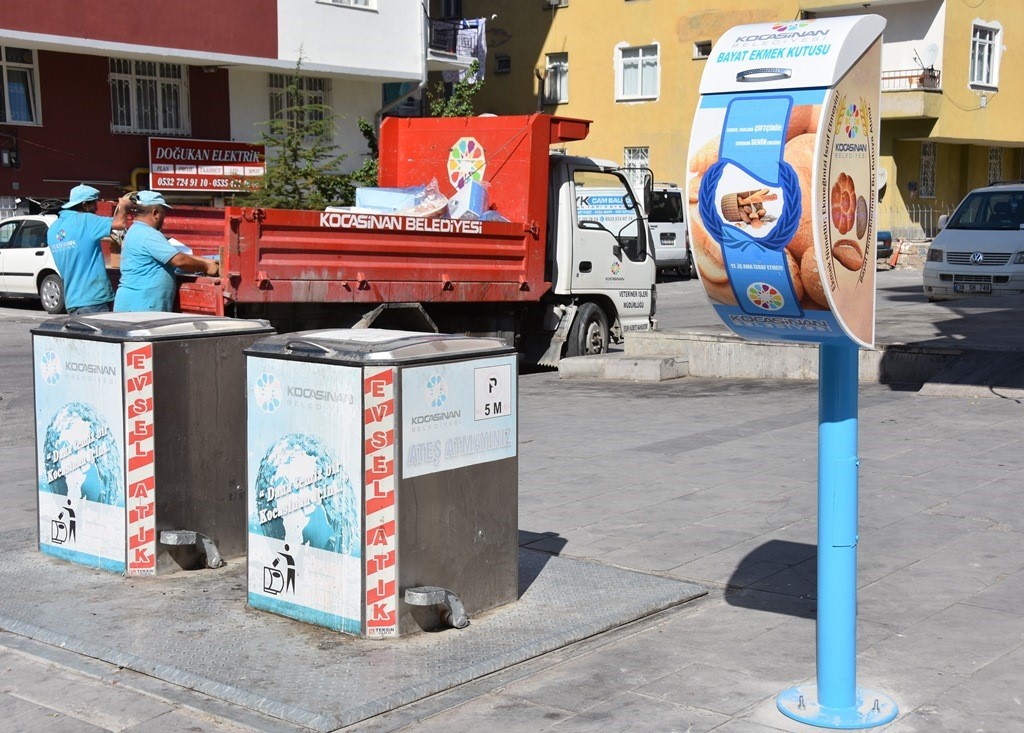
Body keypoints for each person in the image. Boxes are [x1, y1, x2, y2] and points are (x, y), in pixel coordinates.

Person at [113, 191, 219, 312]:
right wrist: (206, 267)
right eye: (163, 214)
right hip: (142, 306)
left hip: (138, 304)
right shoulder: (149, 234)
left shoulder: (137, 230)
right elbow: (179, 260)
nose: (164, 219)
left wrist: (207, 261)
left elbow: (173, 254)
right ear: (155, 213)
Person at [46, 184, 132, 315]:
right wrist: (123, 206)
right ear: (85, 205)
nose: (96, 209)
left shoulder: (53, 229)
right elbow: (119, 223)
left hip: (72, 301)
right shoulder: (86, 220)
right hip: (94, 299)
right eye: (94, 204)